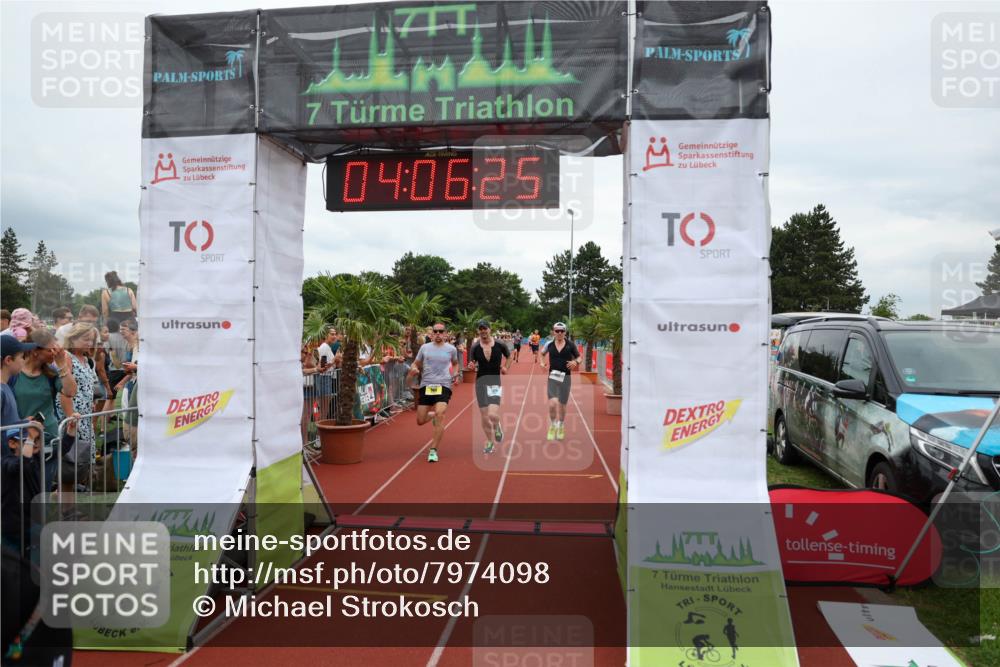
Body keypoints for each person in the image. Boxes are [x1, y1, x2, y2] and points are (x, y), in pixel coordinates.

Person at [12, 330, 77, 485]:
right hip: (20, 438)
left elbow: (70, 392)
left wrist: (62, 365)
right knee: (21, 488)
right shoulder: (14, 374)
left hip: (48, 439)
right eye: (51, 349)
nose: (55, 353)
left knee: (43, 486)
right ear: (35, 351)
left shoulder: (51, 373)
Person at [407, 323, 458, 463]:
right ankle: (431, 415)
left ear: (445, 334)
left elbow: (455, 363)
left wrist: (455, 374)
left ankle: (433, 450)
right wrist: (413, 368)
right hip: (427, 385)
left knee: (440, 414)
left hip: (444, 385)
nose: (438, 334)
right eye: (435, 331)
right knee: (420, 420)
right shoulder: (424, 348)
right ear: (431, 334)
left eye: (441, 331)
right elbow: (416, 363)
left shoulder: (451, 349)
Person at [467, 320, 511, 454]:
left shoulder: (500, 344)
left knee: (492, 414)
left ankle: (497, 426)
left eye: (485, 328)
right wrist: (471, 366)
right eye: (480, 329)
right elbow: (471, 363)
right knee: (484, 415)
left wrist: (506, 367)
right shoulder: (475, 347)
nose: (483, 331)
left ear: (489, 329)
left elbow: (509, 356)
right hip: (480, 382)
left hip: (494, 382)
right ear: (478, 331)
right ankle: (490, 442)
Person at [539, 322, 581, 441]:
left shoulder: (570, 345)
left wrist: (575, 362)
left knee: (562, 405)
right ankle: (553, 425)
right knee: (552, 403)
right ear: (553, 332)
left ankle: (561, 425)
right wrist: (542, 363)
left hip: (566, 378)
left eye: (562, 331)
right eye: (557, 331)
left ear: (565, 332)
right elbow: (542, 354)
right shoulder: (549, 344)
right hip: (553, 377)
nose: (559, 333)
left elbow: (579, 357)